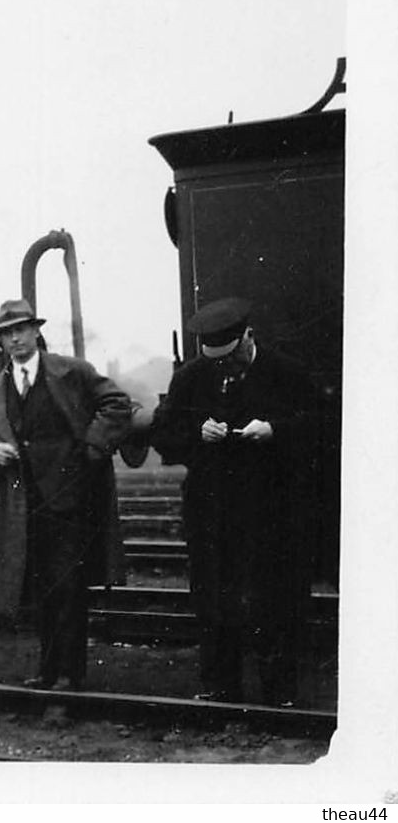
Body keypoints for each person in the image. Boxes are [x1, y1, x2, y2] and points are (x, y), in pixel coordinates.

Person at [150, 297, 318, 706]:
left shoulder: (286, 372)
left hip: (271, 511)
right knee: (212, 602)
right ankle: (220, 686)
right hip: (211, 513)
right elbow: (164, 437)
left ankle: (280, 692)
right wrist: (195, 432)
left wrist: (274, 429)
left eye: (231, 359)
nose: (224, 369)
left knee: (275, 600)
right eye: (215, 362)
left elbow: (323, 426)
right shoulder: (191, 377)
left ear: (248, 338)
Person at [0, 299, 132, 691]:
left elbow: (117, 404)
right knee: (41, 589)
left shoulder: (71, 372)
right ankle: (47, 671)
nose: (14, 339)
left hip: (71, 502)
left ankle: (69, 674)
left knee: (68, 587)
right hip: (25, 505)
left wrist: (92, 449)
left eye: (21, 330)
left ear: (35, 331)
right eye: (7, 333)